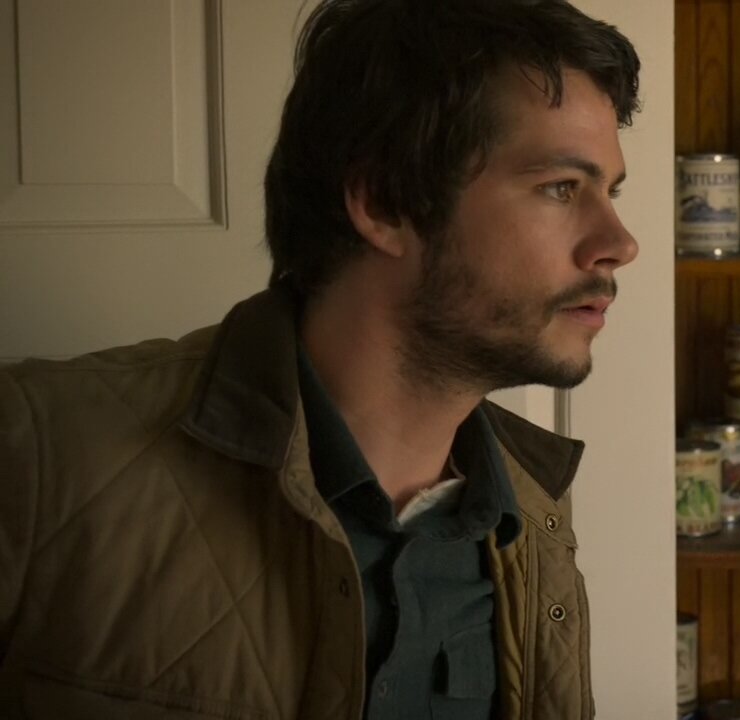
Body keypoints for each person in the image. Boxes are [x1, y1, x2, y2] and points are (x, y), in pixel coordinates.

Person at [0, 0, 640, 717]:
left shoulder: (534, 519)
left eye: (609, 192)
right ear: (385, 204)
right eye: (561, 188)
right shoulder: (41, 451)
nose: (620, 244)